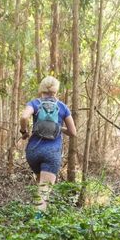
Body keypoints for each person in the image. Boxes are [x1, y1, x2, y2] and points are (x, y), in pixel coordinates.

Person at [20, 76, 77, 211]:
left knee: (40, 184)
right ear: (56, 90)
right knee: (44, 191)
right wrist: (58, 127)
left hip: (33, 151)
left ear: (42, 88)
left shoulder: (35, 103)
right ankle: (38, 221)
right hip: (51, 152)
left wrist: (24, 131)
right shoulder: (62, 107)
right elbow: (73, 132)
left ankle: (37, 214)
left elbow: (24, 117)